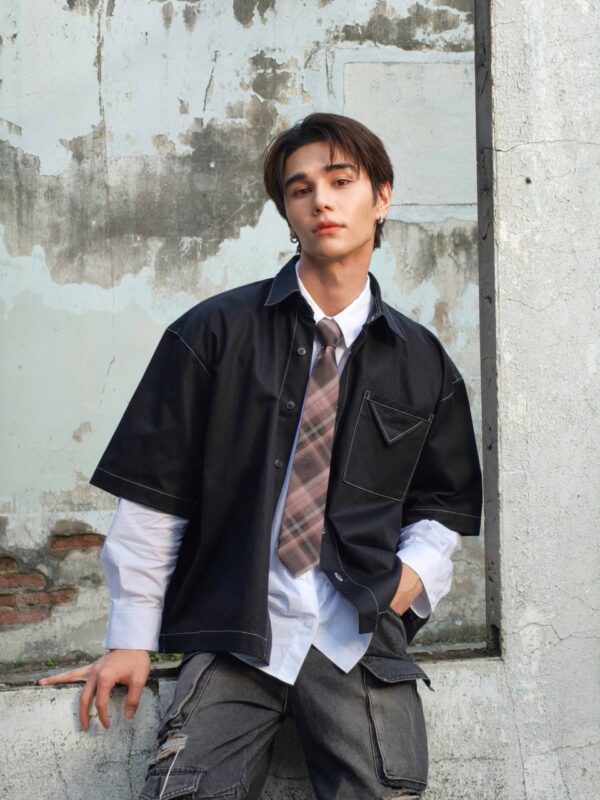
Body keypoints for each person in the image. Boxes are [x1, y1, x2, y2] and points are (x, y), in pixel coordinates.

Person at [40, 112, 482, 799]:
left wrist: (408, 578)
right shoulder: (212, 332)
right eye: (300, 189)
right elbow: (156, 496)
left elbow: (444, 502)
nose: (321, 201)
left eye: (341, 181)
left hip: (357, 631)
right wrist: (131, 636)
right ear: (287, 213)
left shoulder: (423, 361)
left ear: (382, 196)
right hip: (237, 629)